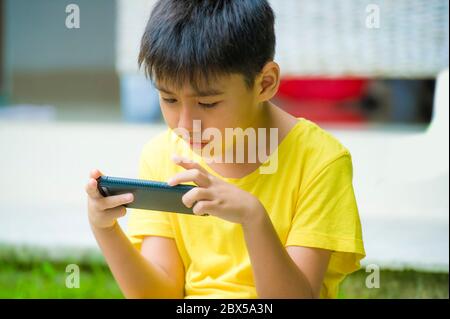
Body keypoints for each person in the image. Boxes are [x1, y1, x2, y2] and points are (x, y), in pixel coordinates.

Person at [85, 0, 365, 299]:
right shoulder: (162, 155)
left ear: (265, 83)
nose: (185, 124)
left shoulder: (320, 160)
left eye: (207, 103)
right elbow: (160, 295)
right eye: (169, 99)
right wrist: (105, 229)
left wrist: (253, 218)